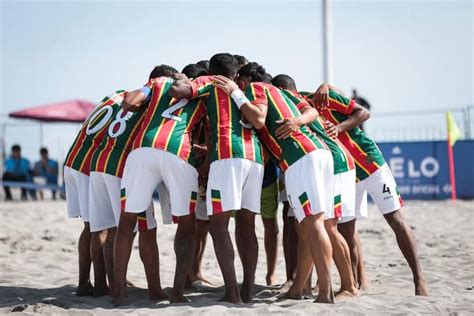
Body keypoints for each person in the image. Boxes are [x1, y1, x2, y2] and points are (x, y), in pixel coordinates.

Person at [213, 62, 335, 303]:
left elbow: (258, 119)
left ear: (244, 79)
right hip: (317, 153)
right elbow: (313, 112)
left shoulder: (255, 88)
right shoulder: (282, 92)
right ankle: (299, 287)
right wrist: (299, 121)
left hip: (300, 156)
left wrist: (235, 93)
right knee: (308, 226)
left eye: (240, 81)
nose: (238, 85)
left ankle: (326, 292)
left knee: (313, 224)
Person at [312, 84, 428, 296]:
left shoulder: (324, 98)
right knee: (347, 232)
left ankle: (419, 281)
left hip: (372, 165)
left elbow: (364, 113)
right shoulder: (299, 107)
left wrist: (338, 126)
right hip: (347, 173)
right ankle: (354, 283)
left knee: (397, 222)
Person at [170, 53, 264, 304]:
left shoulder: (210, 82)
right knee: (247, 227)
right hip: (254, 158)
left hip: (226, 156)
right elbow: (259, 121)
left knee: (218, 227)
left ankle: (232, 293)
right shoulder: (246, 88)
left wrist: (180, 78)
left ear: (212, 71)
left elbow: (180, 90)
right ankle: (248, 291)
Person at [114, 64, 206, 305]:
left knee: (126, 222)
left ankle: (118, 293)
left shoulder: (158, 83)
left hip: (143, 149)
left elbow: (130, 103)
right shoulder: (205, 91)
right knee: (186, 225)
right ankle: (177, 293)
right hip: (178, 152)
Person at [272, 74, 359, 297]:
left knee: (324, 226)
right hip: (333, 160)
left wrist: (328, 85)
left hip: (334, 161)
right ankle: (300, 286)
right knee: (311, 228)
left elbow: (359, 110)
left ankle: (347, 286)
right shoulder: (302, 100)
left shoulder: (289, 103)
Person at [64, 90, 126, 296]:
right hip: (88, 165)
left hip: (73, 158)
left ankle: (84, 283)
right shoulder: (136, 101)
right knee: (101, 227)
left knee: (90, 227)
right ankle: (100, 285)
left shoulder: (116, 94)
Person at [260, 157, 280, 286]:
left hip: (268, 176)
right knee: (243, 222)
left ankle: (271, 273)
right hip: (244, 169)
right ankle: (248, 276)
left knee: (270, 224)